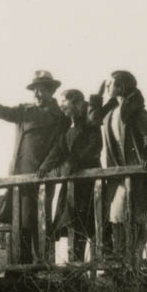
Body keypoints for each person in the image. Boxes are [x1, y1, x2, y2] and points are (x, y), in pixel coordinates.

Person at [0, 70, 64, 263]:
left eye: (41, 90)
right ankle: (21, 270)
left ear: (51, 91)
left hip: (41, 177)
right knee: (19, 222)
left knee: (39, 221)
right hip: (19, 176)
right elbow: (1, 110)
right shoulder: (24, 111)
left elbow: (60, 147)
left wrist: (46, 167)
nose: (37, 94)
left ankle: (43, 268)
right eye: (34, 90)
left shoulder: (60, 117)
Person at [88, 70, 147, 262]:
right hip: (117, 175)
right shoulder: (111, 109)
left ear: (121, 86)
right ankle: (123, 265)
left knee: (136, 218)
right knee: (116, 218)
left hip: (134, 174)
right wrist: (97, 95)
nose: (108, 86)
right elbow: (93, 119)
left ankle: (133, 265)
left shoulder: (134, 109)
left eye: (111, 84)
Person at [38, 88, 102, 262]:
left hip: (87, 185)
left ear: (77, 104)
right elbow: (58, 149)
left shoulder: (88, 123)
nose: (61, 105)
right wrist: (45, 166)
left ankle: (90, 268)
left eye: (65, 101)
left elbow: (95, 146)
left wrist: (75, 160)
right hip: (72, 186)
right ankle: (74, 268)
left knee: (87, 225)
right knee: (72, 224)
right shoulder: (68, 127)